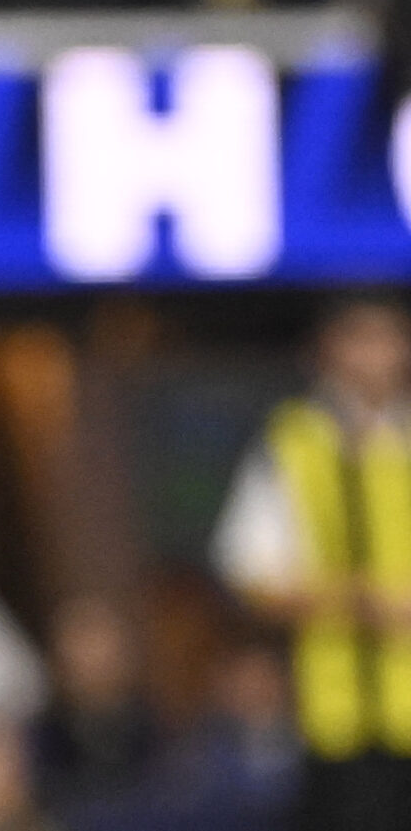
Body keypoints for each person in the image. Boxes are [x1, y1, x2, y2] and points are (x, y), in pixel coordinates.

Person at [213, 296, 411, 831]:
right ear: (327, 348)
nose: (374, 355)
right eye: (358, 338)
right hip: (333, 718)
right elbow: (249, 573)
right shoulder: (292, 440)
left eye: (387, 337)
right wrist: (356, 602)